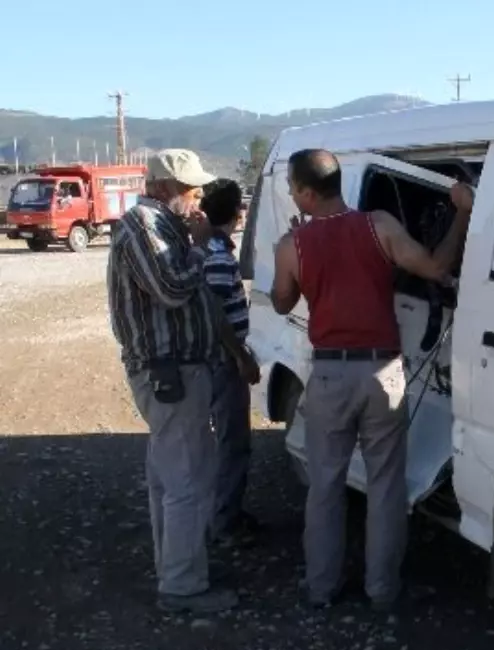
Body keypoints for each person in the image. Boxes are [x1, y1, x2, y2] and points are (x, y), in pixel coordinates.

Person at [269, 148, 474, 611]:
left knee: (325, 485)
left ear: (305, 191)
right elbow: (437, 268)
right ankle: (382, 590)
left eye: (291, 189)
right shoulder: (379, 225)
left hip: (330, 374)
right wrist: (462, 214)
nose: (290, 196)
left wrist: (295, 266)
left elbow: (282, 303)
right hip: (383, 373)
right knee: (386, 484)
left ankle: (321, 589)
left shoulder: (291, 246)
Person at [107, 148, 242, 614]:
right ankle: (183, 585)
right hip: (170, 370)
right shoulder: (145, 225)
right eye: (190, 188)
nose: (198, 196)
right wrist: (202, 246)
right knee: (185, 479)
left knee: (171, 476)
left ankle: (181, 566)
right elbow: (171, 289)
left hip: (178, 369)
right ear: (164, 189)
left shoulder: (164, 224)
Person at [199, 178, 262, 546]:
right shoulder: (220, 259)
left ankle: (225, 512)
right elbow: (218, 317)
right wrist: (242, 357)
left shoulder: (210, 250)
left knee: (225, 439)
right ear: (238, 214)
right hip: (225, 362)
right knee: (232, 441)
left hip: (218, 360)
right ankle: (225, 522)